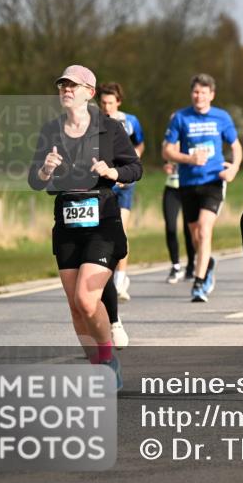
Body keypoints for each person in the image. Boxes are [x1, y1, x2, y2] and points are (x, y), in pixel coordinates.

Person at [28, 65, 142, 389]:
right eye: (62, 85)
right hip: (66, 224)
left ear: (89, 93)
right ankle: (100, 367)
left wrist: (112, 172)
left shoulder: (110, 129)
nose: (66, 89)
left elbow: (135, 167)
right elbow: (35, 180)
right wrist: (45, 171)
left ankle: (107, 360)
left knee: (88, 299)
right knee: (76, 308)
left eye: (73, 85)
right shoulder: (50, 130)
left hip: (103, 223)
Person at [162, 74, 242, 302]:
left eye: (204, 93)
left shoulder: (222, 117)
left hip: (213, 181)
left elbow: (236, 147)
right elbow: (168, 151)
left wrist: (234, 169)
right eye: (196, 92)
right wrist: (188, 159)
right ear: (192, 94)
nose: (199, 97)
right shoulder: (180, 117)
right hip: (188, 182)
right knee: (195, 234)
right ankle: (207, 262)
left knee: (205, 230)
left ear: (212, 95)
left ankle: (199, 283)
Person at [97, 82, 145, 302]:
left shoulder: (130, 121)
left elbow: (140, 145)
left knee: (121, 230)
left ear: (118, 102)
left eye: (110, 102)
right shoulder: (94, 122)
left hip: (124, 185)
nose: (106, 107)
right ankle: (102, 277)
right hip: (103, 185)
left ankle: (120, 279)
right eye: (103, 102)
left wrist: (127, 169)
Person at [162, 160, 195, 283]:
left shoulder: (191, 140)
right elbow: (165, 155)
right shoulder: (169, 141)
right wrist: (166, 165)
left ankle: (191, 266)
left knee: (189, 229)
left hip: (188, 187)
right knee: (170, 227)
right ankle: (175, 266)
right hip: (171, 188)